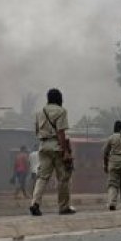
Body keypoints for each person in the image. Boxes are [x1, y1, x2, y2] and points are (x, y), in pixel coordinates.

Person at [30, 88, 75, 216]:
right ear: (59, 99)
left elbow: (36, 131)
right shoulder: (61, 111)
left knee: (42, 177)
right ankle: (63, 207)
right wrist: (65, 151)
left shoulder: (40, 112)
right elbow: (61, 132)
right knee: (63, 178)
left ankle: (35, 203)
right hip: (56, 146)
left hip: (43, 146)